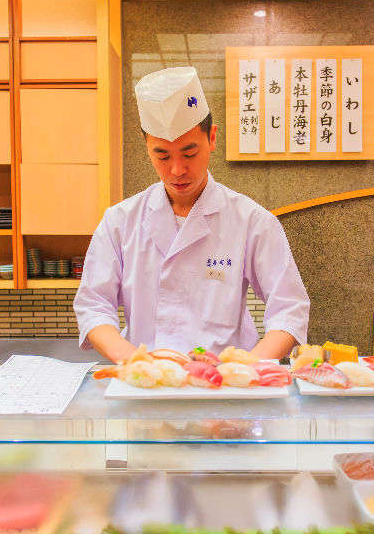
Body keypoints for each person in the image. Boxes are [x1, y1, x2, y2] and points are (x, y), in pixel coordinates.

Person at [74, 67, 309, 363]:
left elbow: (290, 308)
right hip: (145, 380)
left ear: (211, 138)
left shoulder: (252, 220)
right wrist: (135, 362)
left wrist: (248, 368)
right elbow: (94, 305)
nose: (176, 170)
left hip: (226, 384)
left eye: (189, 153)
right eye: (162, 156)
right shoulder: (120, 221)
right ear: (146, 146)